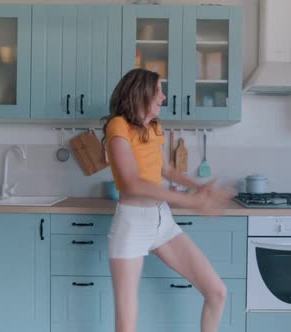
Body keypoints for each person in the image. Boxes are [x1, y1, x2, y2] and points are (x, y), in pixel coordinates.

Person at [101, 68, 236, 332]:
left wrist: (198, 188)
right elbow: (132, 183)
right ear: (141, 93)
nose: (163, 97)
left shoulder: (154, 127)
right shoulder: (118, 126)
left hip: (161, 221)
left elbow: (167, 170)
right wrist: (191, 202)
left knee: (217, 292)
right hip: (132, 225)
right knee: (126, 325)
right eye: (159, 90)